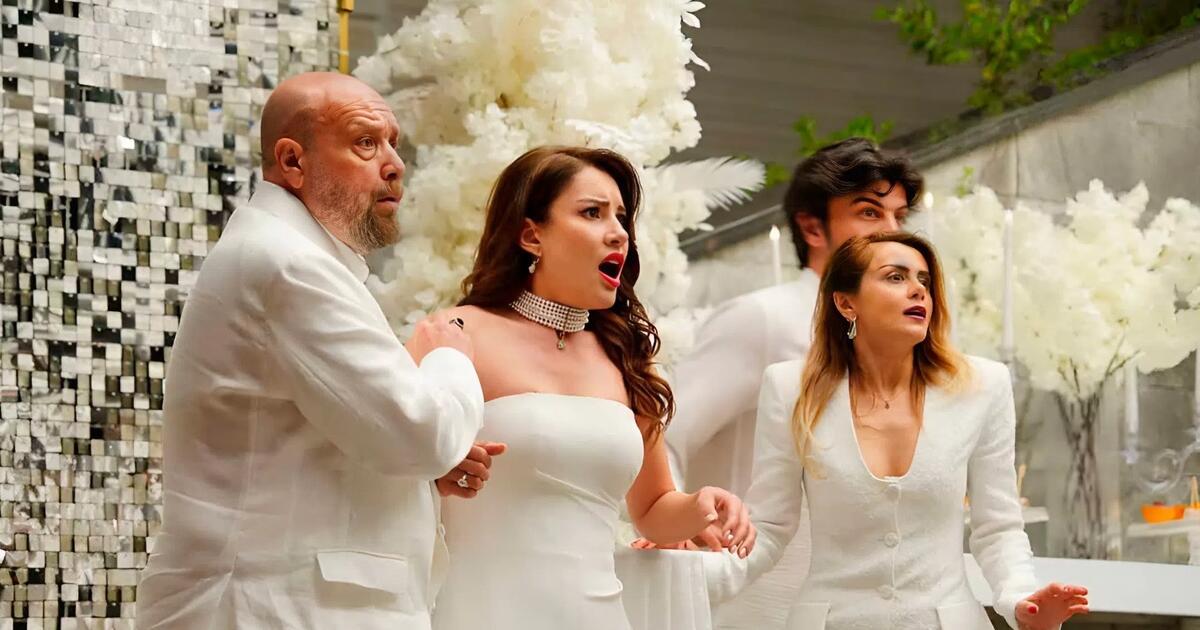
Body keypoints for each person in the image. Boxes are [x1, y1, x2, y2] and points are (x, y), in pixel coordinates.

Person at [136, 72, 495, 630]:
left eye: (393, 142)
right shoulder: (288, 265)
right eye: (365, 142)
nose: (394, 164)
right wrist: (446, 356)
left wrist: (418, 475)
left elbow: (325, 438)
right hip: (269, 610)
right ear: (292, 162)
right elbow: (420, 436)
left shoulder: (293, 257)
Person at [425, 146, 756, 630]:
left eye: (621, 216)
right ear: (531, 235)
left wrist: (702, 507)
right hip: (478, 613)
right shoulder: (454, 334)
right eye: (592, 213)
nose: (618, 231)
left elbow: (652, 509)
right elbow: (385, 460)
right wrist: (435, 467)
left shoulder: (626, 357)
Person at [704, 231, 1089, 630]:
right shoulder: (790, 389)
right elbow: (769, 529)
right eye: (895, 277)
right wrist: (691, 571)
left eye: (925, 281)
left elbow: (998, 528)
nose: (918, 291)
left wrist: (1020, 599)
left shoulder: (982, 387)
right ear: (846, 302)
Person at [661, 138, 924, 628]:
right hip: (758, 600)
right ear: (812, 226)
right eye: (870, 212)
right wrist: (675, 522)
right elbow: (663, 433)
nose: (892, 232)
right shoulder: (763, 318)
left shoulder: (904, 340)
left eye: (900, 216)